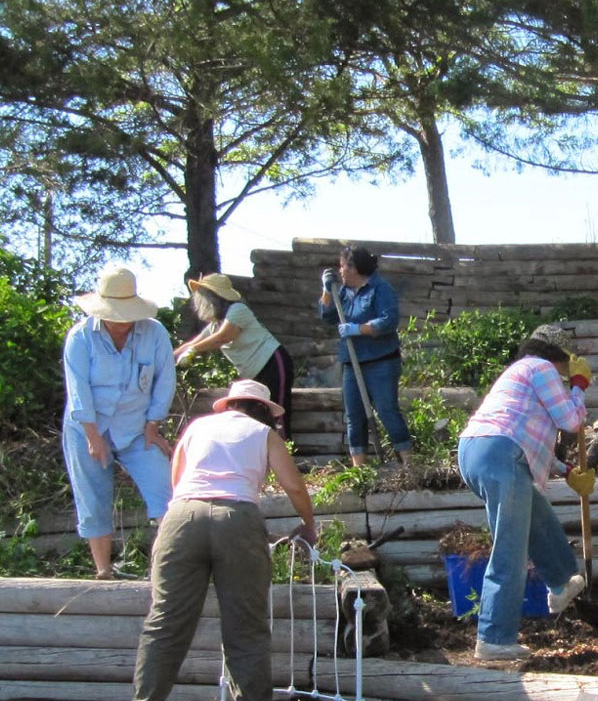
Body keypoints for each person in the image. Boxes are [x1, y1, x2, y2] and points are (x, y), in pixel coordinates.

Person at [125, 379, 319, 701]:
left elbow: (177, 479)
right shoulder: (263, 434)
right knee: (245, 623)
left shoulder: (197, 428)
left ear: (229, 405)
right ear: (265, 411)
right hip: (237, 521)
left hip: (182, 517)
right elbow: (293, 486)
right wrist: (309, 523)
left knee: (165, 621)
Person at [457, 338, 593, 661]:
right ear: (560, 357)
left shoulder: (520, 373)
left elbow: (525, 433)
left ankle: (561, 582)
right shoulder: (542, 367)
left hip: (481, 451)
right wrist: (578, 385)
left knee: (538, 515)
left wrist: (566, 469)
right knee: (511, 546)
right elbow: (571, 421)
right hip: (500, 454)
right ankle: (494, 637)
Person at [62, 264, 177, 580]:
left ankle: (165, 569)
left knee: (165, 490)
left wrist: (153, 424)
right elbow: (78, 389)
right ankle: (103, 571)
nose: (121, 322)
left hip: (137, 426)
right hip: (86, 427)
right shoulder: (80, 337)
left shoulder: (154, 333)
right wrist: (91, 435)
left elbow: (165, 380)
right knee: (93, 495)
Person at [318, 246, 413, 466]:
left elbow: (388, 320)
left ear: (355, 268)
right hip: (352, 363)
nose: (340, 271)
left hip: (381, 362)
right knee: (354, 416)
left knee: (387, 411)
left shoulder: (380, 288)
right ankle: (359, 470)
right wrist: (325, 291)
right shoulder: (341, 292)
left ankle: (410, 466)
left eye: (344, 266)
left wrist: (358, 329)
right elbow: (327, 316)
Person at [174, 272, 296, 440]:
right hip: (254, 373)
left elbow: (224, 336)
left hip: (272, 363)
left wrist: (193, 351)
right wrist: (169, 358)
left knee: (277, 413)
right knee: (257, 415)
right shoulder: (215, 324)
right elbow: (193, 342)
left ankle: (284, 454)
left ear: (213, 297)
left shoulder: (238, 310)